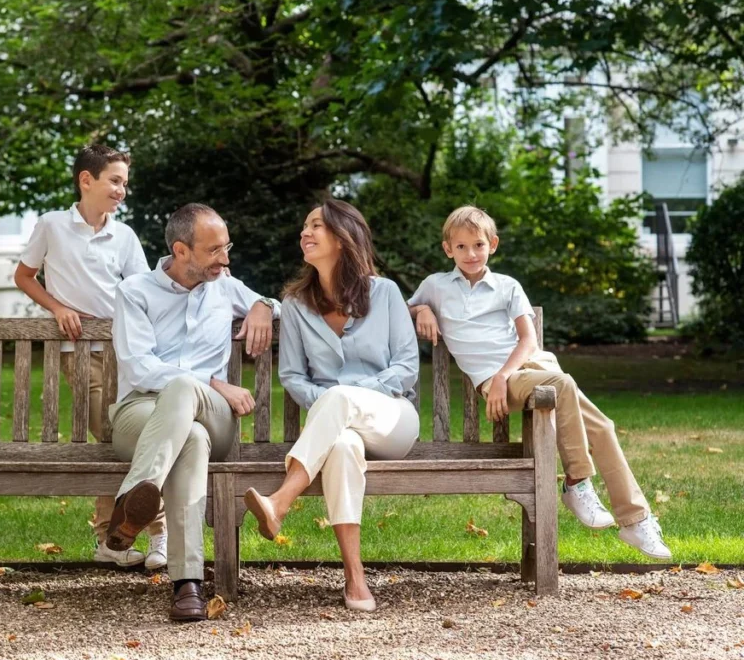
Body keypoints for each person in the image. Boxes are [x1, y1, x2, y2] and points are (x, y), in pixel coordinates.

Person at [407, 205, 671, 560]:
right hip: (507, 381)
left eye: (479, 245)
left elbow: (528, 340)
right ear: (447, 249)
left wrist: (504, 375)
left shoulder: (507, 286)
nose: (471, 254)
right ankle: (576, 482)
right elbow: (402, 308)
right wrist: (422, 310)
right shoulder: (436, 286)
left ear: (493, 245)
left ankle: (636, 520)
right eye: (461, 247)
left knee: (604, 427)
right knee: (561, 385)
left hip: (528, 368)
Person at [242, 199, 420, 612]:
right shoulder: (297, 304)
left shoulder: (386, 293)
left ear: (342, 238)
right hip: (336, 431)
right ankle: (355, 579)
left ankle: (281, 501)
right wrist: (335, 403)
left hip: (391, 419)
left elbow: (407, 366)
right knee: (340, 447)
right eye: (304, 226)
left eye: (316, 226)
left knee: (339, 397)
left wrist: (353, 394)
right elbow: (291, 376)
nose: (305, 233)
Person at [106, 202, 280, 622]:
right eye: (215, 250)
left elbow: (275, 304)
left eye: (227, 246)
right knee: (190, 438)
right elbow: (139, 366)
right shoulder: (134, 292)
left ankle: (130, 502)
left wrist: (265, 305)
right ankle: (187, 585)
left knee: (191, 406)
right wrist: (213, 382)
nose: (226, 258)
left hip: (214, 417)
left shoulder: (226, 284)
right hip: (141, 413)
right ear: (181, 251)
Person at [13, 144, 167, 569]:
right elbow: (24, 276)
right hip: (80, 354)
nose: (122, 191)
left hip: (128, 353)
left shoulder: (124, 235)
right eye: (115, 181)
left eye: (124, 183)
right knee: (114, 437)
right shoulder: (52, 226)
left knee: (137, 435)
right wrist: (58, 307)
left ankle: (152, 536)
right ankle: (120, 537)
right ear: (87, 180)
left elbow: (143, 290)